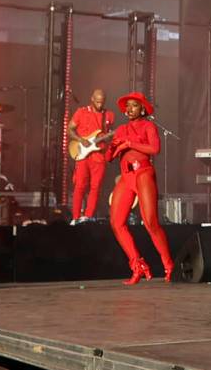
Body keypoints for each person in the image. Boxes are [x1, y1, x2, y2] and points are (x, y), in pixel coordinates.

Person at [107, 92, 173, 284]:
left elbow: (154, 149)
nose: (129, 109)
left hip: (143, 173)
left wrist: (129, 143)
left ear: (142, 109)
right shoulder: (120, 129)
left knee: (150, 222)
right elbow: (108, 158)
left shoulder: (148, 126)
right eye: (127, 106)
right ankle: (138, 265)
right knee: (116, 223)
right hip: (126, 177)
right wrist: (112, 147)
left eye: (134, 106)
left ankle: (169, 265)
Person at [68, 89, 115, 224]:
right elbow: (70, 129)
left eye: (102, 102)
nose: (100, 105)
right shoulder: (81, 112)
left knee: (96, 186)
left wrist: (109, 137)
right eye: (98, 102)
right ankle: (76, 217)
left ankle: (87, 216)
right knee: (80, 186)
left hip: (99, 155)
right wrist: (80, 139)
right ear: (92, 99)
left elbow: (109, 133)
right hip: (82, 154)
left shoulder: (109, 115)